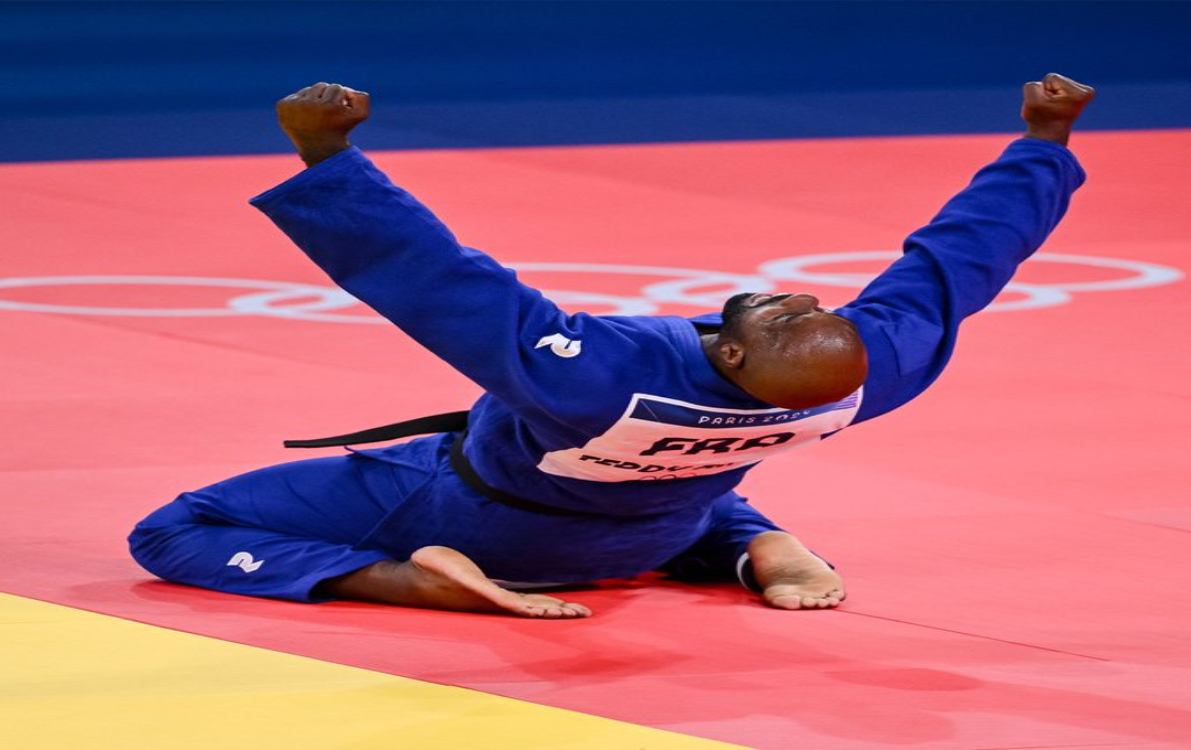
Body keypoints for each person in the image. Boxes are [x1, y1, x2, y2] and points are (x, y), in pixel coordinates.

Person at [129, 74, 1095, 619]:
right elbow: (961, 264)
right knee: (704, 492)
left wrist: (326, 161)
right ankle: (758, 546)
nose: (799, 297)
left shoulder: (606, 376)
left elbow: (440, 281)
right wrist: (1042, 144)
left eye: (781, 318)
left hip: (490, 525)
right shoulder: (867, 373)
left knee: (177, 530)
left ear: (731, 355)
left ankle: (410, 582)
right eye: (811, 304)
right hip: (661, 523)